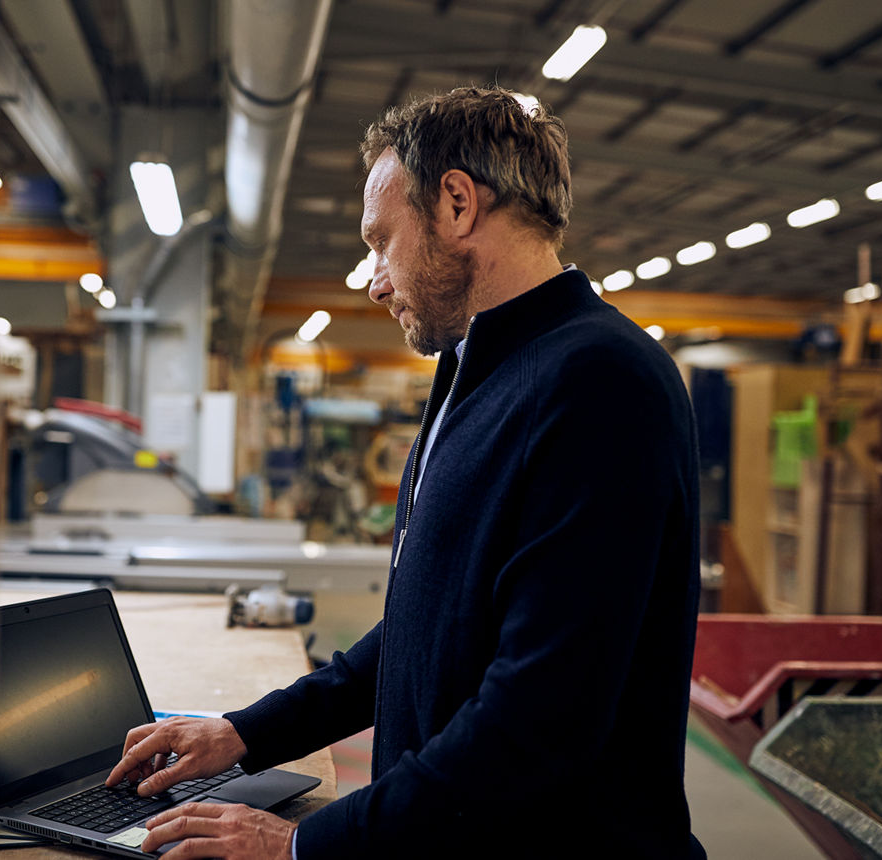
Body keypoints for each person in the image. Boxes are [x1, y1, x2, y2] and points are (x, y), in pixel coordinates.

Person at [106, 85, 706, 859]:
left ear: (457, 204)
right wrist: (245, 735)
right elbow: (425, 630)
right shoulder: (474, 373)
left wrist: (304, 846)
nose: (373, 279)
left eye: (380, 241)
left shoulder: (600, 382)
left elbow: (541, 718)